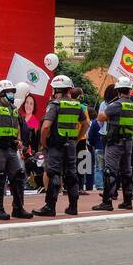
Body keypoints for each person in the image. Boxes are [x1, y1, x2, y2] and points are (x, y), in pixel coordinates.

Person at [35, 75, 88, 217]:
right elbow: (86, 124)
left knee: (53, 173)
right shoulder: (76, 105)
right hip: (70, 144)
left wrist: (43, 142)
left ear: (55, 89)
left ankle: (50, 207)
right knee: (71, 174)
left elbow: (46, 127)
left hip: (56, 145)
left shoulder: (55, 104)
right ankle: (73, 207)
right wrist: (76, 139)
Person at [0, 80, 33, 220]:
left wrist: (18, 140)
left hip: (11, 148)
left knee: (18, 176)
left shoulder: (13, 108)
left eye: (13, 91)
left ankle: (18, 208)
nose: (12, 94)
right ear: (1, 93)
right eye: (9, 92)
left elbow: (16, 125)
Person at [93, 77, 133, 211]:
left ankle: (107, 202)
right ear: (129, 90)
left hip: (115, 142)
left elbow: (101, 117)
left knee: (109, 171)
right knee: (126, 171)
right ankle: (127, 201)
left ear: (118, 90)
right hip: (128, 142)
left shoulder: (116, 105)